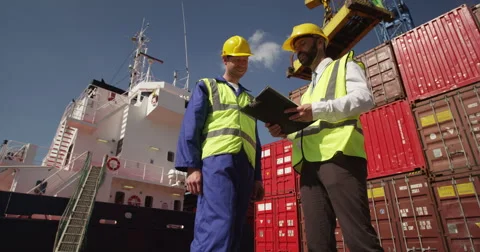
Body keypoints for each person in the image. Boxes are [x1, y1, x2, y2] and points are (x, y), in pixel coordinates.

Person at [266, 23, 383, 252]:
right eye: (295, 47)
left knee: (358, 237)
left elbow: (365, 99)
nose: (299, 50)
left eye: (303, 43)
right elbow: (309, 128)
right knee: (317, 243)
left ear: (320, 42)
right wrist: (285, 132)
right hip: (309, 166)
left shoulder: (344, 65)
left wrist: (317, 110)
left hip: (339, 157)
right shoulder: (308, 91)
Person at [175, 35, 265, 252]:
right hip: (217, 162)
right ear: (225, 59)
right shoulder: (207, 86)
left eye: (246, 60)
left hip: (245, 165)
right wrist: (192, 167)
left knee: (235, 226)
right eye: (238, 59)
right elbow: (191, 127)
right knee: (218, 222)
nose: (243, 63)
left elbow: (255, 140)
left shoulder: (250, 100)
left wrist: (257, 177)